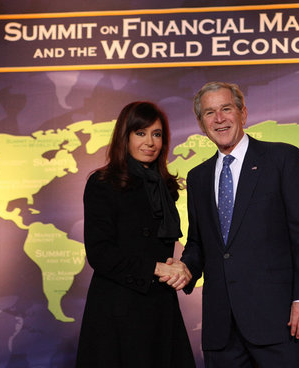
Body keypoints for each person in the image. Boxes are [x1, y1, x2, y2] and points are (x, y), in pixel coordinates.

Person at [178, 82, 299, 367]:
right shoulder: (197, 177)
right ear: (200, 123)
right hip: (221, 331)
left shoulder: (283, 159)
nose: (219, 119)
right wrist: (185, 268)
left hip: (279, 323)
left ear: (243, 114)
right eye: (209, 113)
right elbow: (199, 242)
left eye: (226, 109)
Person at [76, 101, 195, 368]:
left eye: (157, 134)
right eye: (140, 133)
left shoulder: (166, 186)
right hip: (118, 308)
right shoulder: (103, 183)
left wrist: (178, 269)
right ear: (125, 136)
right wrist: (154, 268)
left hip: (160, 306)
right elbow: (100, 252)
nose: (150, 142)